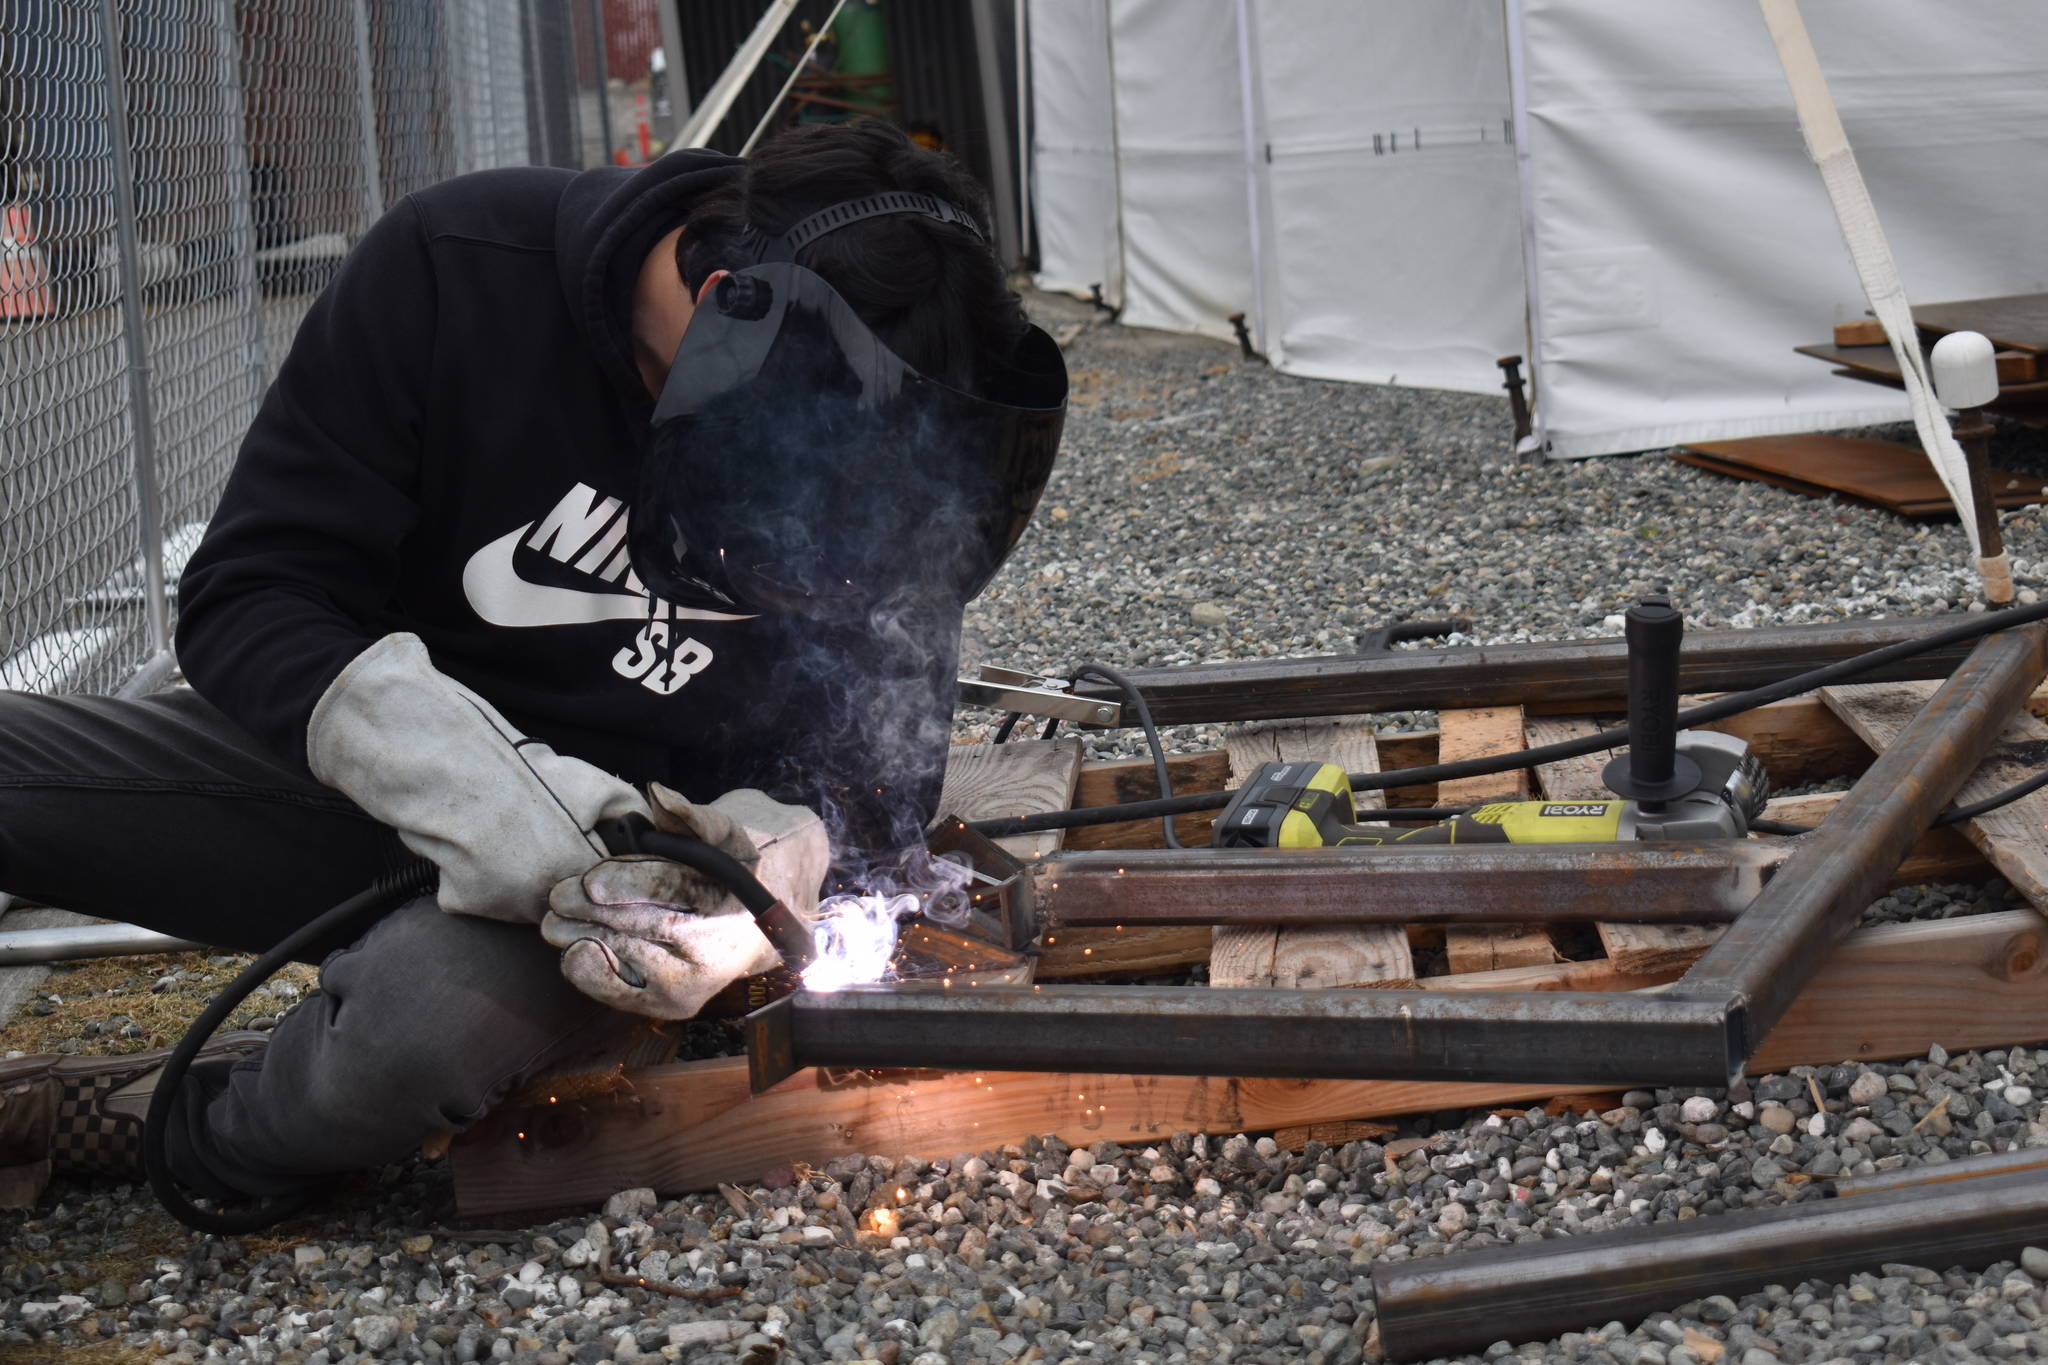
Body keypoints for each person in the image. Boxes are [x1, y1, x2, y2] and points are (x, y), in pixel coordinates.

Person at [0, 119, 1065, 1212]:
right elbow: (255, 596)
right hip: (361, 789)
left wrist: (763, 876)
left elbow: (872, 797)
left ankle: (182, 1137)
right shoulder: (459, 269)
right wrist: (459, 773)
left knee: (422, 1033)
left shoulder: (878, 429)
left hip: (613, 894)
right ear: (722, 322)